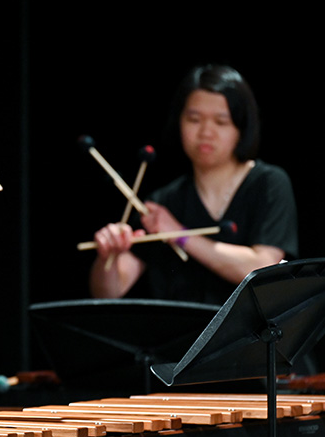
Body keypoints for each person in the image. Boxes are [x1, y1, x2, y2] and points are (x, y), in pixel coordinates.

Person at [89, 64, 298, 304]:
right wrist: (108, 257)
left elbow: (263, 267)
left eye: (221, 122)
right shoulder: (162, 204)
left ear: (241, 127)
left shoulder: (269, 183)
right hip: (183, 341)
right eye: (194, 119)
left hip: (250, 340)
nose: (206, 132)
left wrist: (180, 235)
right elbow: (108, 293)